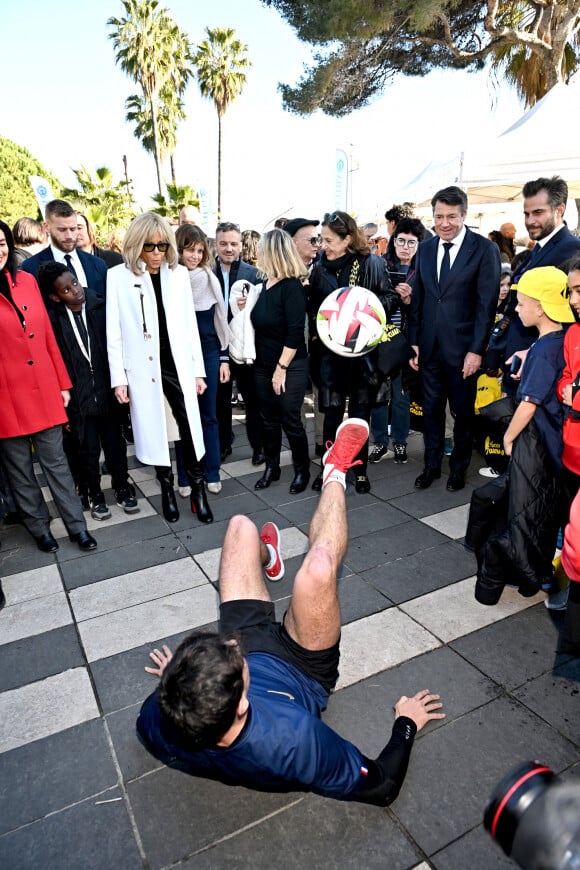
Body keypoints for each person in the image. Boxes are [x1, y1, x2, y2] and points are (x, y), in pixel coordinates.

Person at [137, 418, 445, 802]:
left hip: (220, 680)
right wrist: (406, 723)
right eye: (232, 656)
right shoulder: (294, 742)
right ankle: (335, 471)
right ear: (242, 704)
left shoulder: (158, 720)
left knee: (240, 528)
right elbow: (382, 787)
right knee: (317, 569)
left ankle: (269, 556)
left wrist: (182, 682)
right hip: (301, 672)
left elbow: (168, 711)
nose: (232, 645)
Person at [470, 266, 575, 605]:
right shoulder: (559, 341)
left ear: (541, 307)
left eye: (521, 303)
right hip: (557, 443)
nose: (515, 309)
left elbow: (528, 404)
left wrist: (508, 437)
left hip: (540, 443)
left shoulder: (544, 349)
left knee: (521, 512)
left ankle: (535, 574)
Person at [106, 212, 213, 525]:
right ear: (136, 246)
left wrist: (198, 371)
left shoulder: (177, 274)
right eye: (148, 247)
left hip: (178, 364)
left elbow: (189, 325)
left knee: (190, 429)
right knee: (155, 430)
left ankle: (197, 488)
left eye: (161, 246)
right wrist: (119, 379)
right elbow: (113, 333)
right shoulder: (117, 277)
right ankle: (166, 487)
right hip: (142, 368)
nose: (155, 254)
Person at [0, 220, 97, 553]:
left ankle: (76, 526)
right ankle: (39, 527)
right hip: (5, 397)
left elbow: (47, 338)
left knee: (57, 463)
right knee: (20, 470)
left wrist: (62, 382)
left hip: (43, 388)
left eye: (1, 242)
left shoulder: (26, 280)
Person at [409, 186, 501, 492]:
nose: (444, 223)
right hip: (430, 349)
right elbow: (420, 300)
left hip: (464, 352)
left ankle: (458, 468)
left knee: (462, 414)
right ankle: (431, 465)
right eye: (438, 216)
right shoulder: (424, 249)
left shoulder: (483, 249)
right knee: (431, 411)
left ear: (464, 214)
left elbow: (485, 306)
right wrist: (414, 341)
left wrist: (477, 350)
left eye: (451, 216)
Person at [37, 261, 139, 521]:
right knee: (88, 449)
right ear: (54, 296)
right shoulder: (54, 321)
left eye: (74, 283)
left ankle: (122, 485)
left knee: (115, 445)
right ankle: (93, 492)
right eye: (66, 290)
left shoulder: (99, 306)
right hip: (80, 400)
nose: (75, 290)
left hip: (107, 391)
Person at [309, 210, 397, 494]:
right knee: (331, 414)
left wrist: (361, 309)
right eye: (321, 239)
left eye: (330, 240)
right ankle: (330, 467)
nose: (323, 245)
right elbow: (315, 308)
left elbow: (389, 296)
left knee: (360, 416)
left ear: (347, 239)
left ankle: (359, 468)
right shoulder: (319, 266)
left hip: (363, 356)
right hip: (330, 354)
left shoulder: (371, 263)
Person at [502, 177, 580, 395]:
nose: (530, 221)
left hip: (546, 369)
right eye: (526, 214)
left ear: (560, 210)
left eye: (538, 213)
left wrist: (536, 351)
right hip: (523, 364)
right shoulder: (537, 250)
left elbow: (572, 316)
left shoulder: (572, 250)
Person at [251, 229, 311, 493]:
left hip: (290, 365)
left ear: (272, 252)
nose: (257, 253)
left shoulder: (292, 288)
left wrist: (281, 369)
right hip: (262, 365)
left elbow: (296, 333)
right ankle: (272, 468)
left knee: (290, 419)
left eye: (261, 249)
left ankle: (302, 470)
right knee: (268, 420)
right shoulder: (262, 286)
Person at [175, 224, 229, 495]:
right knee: (183, 418)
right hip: (179, 358)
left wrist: (223, 358)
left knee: (208, 416)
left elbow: (219, 322)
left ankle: (212, 472)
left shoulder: (209, 279)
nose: (194, 256)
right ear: (179, 249)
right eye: (189, 249)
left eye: (199, 250)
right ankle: (184, 476)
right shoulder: (169, 279)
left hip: (208, 354)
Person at [369, 217, 424, 465]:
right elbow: (369, 302)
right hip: (379, 340)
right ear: (393, 241)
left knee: (402, 396)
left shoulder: (422, 272)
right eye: (401, 240)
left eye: (411, 242)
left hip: (405, 341)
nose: (405, 246)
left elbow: (424, 314)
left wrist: (410, 303)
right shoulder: (380, 266)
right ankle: (379, 442)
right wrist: (391, 294)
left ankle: (400, 442)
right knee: (379, 395)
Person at [213, 221, 262, 464]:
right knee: (220, 402)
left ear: (241, 245)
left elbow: (263, 313)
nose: (229, 248)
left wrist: (251, 305)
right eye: (223, 244)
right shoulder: (205, 272)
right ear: (215, 244)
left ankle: (258, 447)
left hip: (244, 348)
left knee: (252, 400)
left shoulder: (253, 274)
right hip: (217, 347)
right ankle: (223, 444)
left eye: (233, 243)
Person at [553, 261, 580, 639]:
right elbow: (567, 375)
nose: (575, 300)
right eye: (572, 291)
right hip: (572, 447)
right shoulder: (572, 333)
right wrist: (565, 387)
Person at [20, 199, 107, 297]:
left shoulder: (97, 264)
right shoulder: (30, 268)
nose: (69, 235)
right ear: (46, 227)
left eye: (73, 229)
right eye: (62, 230)